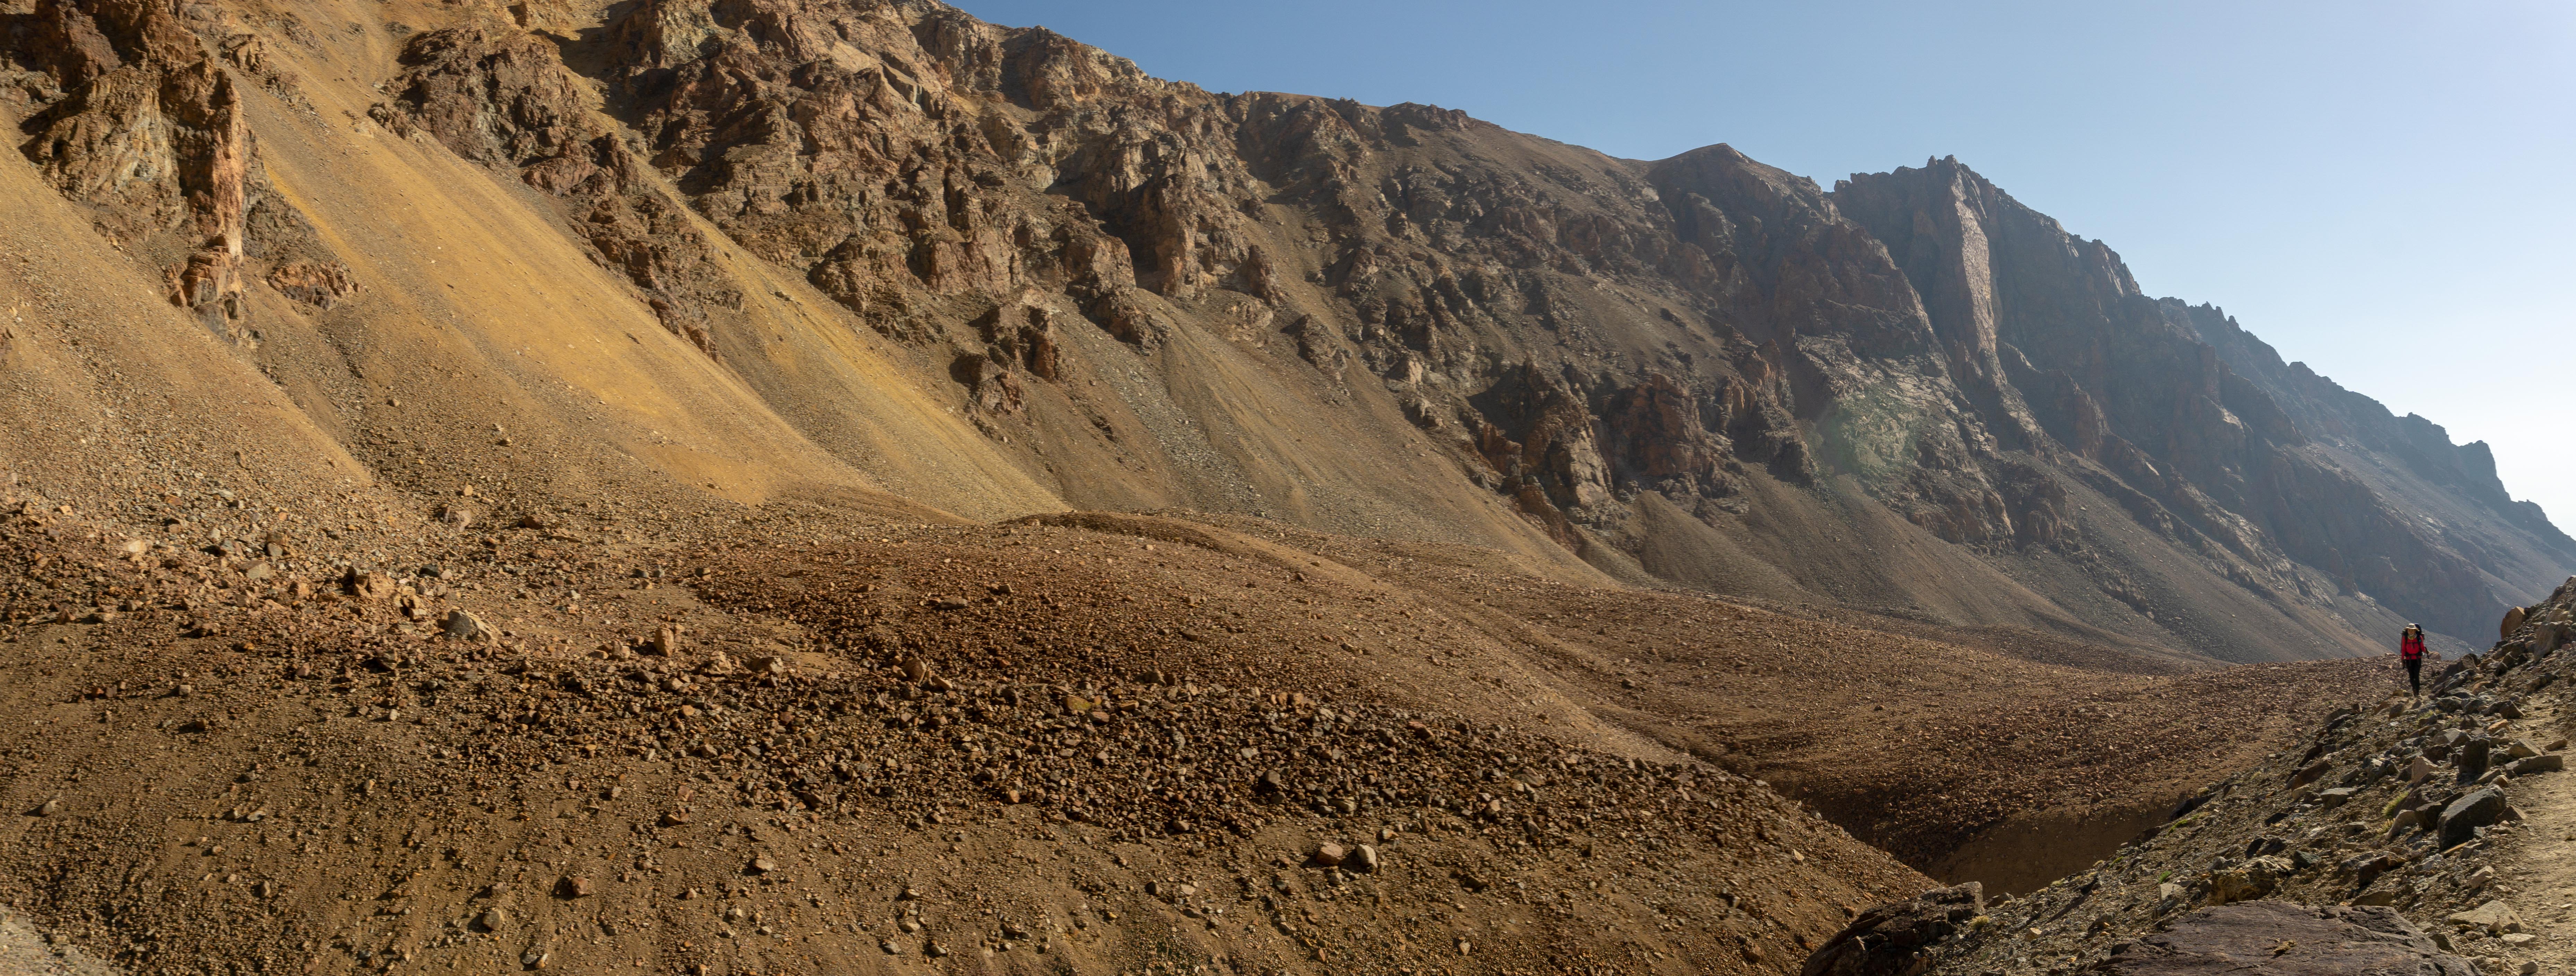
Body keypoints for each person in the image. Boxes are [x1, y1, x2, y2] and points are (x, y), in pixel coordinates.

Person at [2400, 624, 2426, 696]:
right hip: (2409, 660)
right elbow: (2403, 649)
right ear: (2407, 631)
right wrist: (2402, 660)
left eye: (2412, 631)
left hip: (2418, 659)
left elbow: (2422, 647)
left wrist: (2426, 652)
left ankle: (2417, 692)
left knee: (2416, 676)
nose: (2411, 632)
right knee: (2412, 676)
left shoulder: (2419, 638)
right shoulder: (2405, 638)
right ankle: (2414, 690)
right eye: (2409, 631)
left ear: (2415, 631)